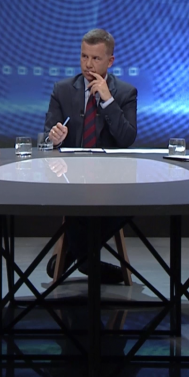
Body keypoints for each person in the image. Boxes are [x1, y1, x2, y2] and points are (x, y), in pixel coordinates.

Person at [43, 29, 138, 284]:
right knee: (76, 200)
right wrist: (54, 138)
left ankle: (74, 255)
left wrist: (107, 101)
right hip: (70, 178)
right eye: (84, 56)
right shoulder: (63, 90)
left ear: (110, 61)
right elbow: (46, 139)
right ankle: (86, 260)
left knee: (126, 201)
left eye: (96, 58)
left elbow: (127, 138)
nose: (88, 64)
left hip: (112, 181)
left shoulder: (125, 93)